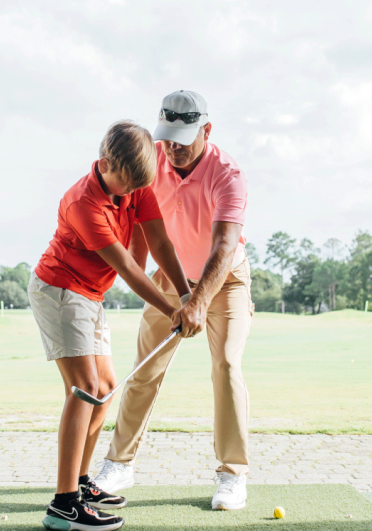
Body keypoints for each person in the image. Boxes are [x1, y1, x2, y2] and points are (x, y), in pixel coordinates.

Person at [28, 121, 196, 531]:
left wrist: (187, 296)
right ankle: (64, 505)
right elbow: (128, 269)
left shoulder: (134, 183)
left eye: (138, 187)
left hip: (89, 295)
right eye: (126, 185)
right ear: (104, 164)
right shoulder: (82, 203)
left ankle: (81, 482)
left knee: (104, 390)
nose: (132, 193)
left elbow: (160, 242)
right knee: (84, 388)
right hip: (60, 290)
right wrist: (173, 309)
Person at [94, 90, 252, 511]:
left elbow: (223, 246)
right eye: (166, 138)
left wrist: (197, 302)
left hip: (225, 280)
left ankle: (232, 473)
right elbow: (141, 228)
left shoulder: (228, 175)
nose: (172, 148)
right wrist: (130, 278)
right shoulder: (153, 165)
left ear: (207, 130)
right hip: (171, 276)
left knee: (226, 365)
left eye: (182, 139)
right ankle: (119, 464)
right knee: (145, 368)